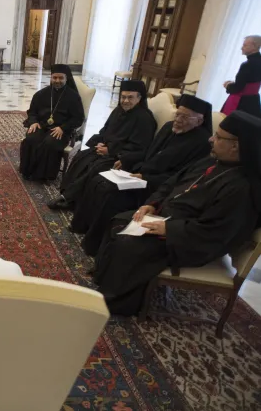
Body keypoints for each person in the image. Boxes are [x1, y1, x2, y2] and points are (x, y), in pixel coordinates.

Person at [93, 110, 261, 316]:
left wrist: (168, 228)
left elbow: (218, 231)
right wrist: (153, 204)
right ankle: (106, 279)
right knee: (119, 221)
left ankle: (116, 304)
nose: (210, 139)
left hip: (192, 241)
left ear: (235, 145)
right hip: (170, 219)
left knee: (130, 244)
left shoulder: (242, 187)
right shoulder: (212, 161)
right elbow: (172, 183)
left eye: (217, 136)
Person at [71, 94, 213, 256]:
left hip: (154, 187)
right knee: (99, 180)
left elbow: (181, 178)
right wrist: (127, 160)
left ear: (199, 121)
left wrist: (145, 178)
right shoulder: (168, 127)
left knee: (111, 194)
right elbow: (149, 152)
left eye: (185, 117)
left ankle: (96, 245)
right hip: (139, 175)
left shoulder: (202, 144)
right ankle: (84, 227)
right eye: (178, 114)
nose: (178, 120)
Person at [49, 80, 156, 211]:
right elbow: (105, 130)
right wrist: (101, 141)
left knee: (95, 167)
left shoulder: (144, 119)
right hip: (106, 149)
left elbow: (140, 147)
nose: (125, 101)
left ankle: (69, 199)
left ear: (139, 98)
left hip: (121, 158)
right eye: (123, 97)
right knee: (81, 157)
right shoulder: (118, 110)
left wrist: (111, 151)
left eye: (130, 97)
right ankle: (68, 195)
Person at [19, 64, 85, 181]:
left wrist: (63, 128)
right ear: (51, 78)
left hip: (61, 129)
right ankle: (28, 171)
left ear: (66, 78)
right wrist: (33, 122)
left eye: (61, 78)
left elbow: (78, 118)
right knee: (31, 138)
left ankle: (44, 175)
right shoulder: (41, 94)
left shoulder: (73, 97)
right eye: (54, 78)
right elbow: (32, 111)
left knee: (50, 142)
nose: (57, 81)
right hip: (42, 126)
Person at [222, 35, 261, 118]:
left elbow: (238, 88)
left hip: (242, 102)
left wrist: (227, 85)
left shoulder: (247, 65)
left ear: (254, 46)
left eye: (245, 45)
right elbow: (250, 83)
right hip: (253, 102)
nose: (241, 48)